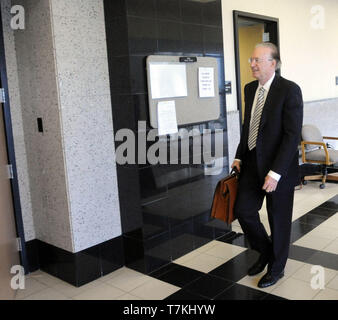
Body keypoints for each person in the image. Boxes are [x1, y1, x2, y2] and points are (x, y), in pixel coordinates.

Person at [231, 42, 303, 288]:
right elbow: (247, 126)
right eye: (251, 59)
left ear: (273, 63)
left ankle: (277, 267)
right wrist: (240, 156)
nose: (252, 64)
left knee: (278, 219)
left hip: (278, 169)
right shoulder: (250, 88)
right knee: (243, 211)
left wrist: (275, 173)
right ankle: (265, 251)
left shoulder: (289, 90)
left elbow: (292, 135)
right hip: (251, 163)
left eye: (257, 60)